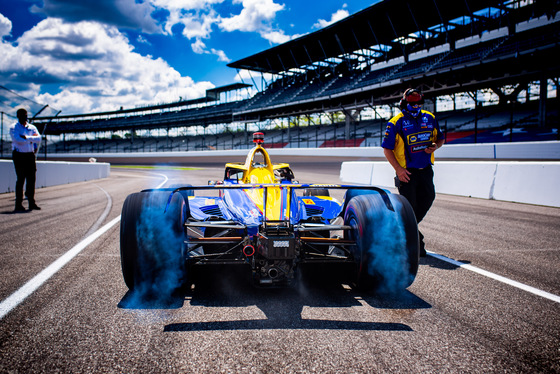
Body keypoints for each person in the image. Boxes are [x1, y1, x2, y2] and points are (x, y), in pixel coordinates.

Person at [381, 89, 445, 256]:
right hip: (407, 173)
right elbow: (387, 149)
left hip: (426, 171)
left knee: (428, 198)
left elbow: (441, 138)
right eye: (412, 103)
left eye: (418, 103)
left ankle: (399, 228)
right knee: (410, 207)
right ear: (404, 103)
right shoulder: (396, 122)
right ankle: (416, 243)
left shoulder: (429, 117)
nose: (416, 106)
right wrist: (399, 170)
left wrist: (435, 146)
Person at [9, 108, 42, 212]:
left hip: (30, 155)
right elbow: (17, 140)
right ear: (18, 116)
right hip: (19, 155)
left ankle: (31, 203)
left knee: (31, 179)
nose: (25, 117)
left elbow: (39, 139)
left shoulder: (32, 127)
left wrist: (26, 138)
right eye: (22, 115)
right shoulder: (14, 127)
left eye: (26, 115)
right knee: (21, 179)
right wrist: (31, 138)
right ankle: (18, 204)